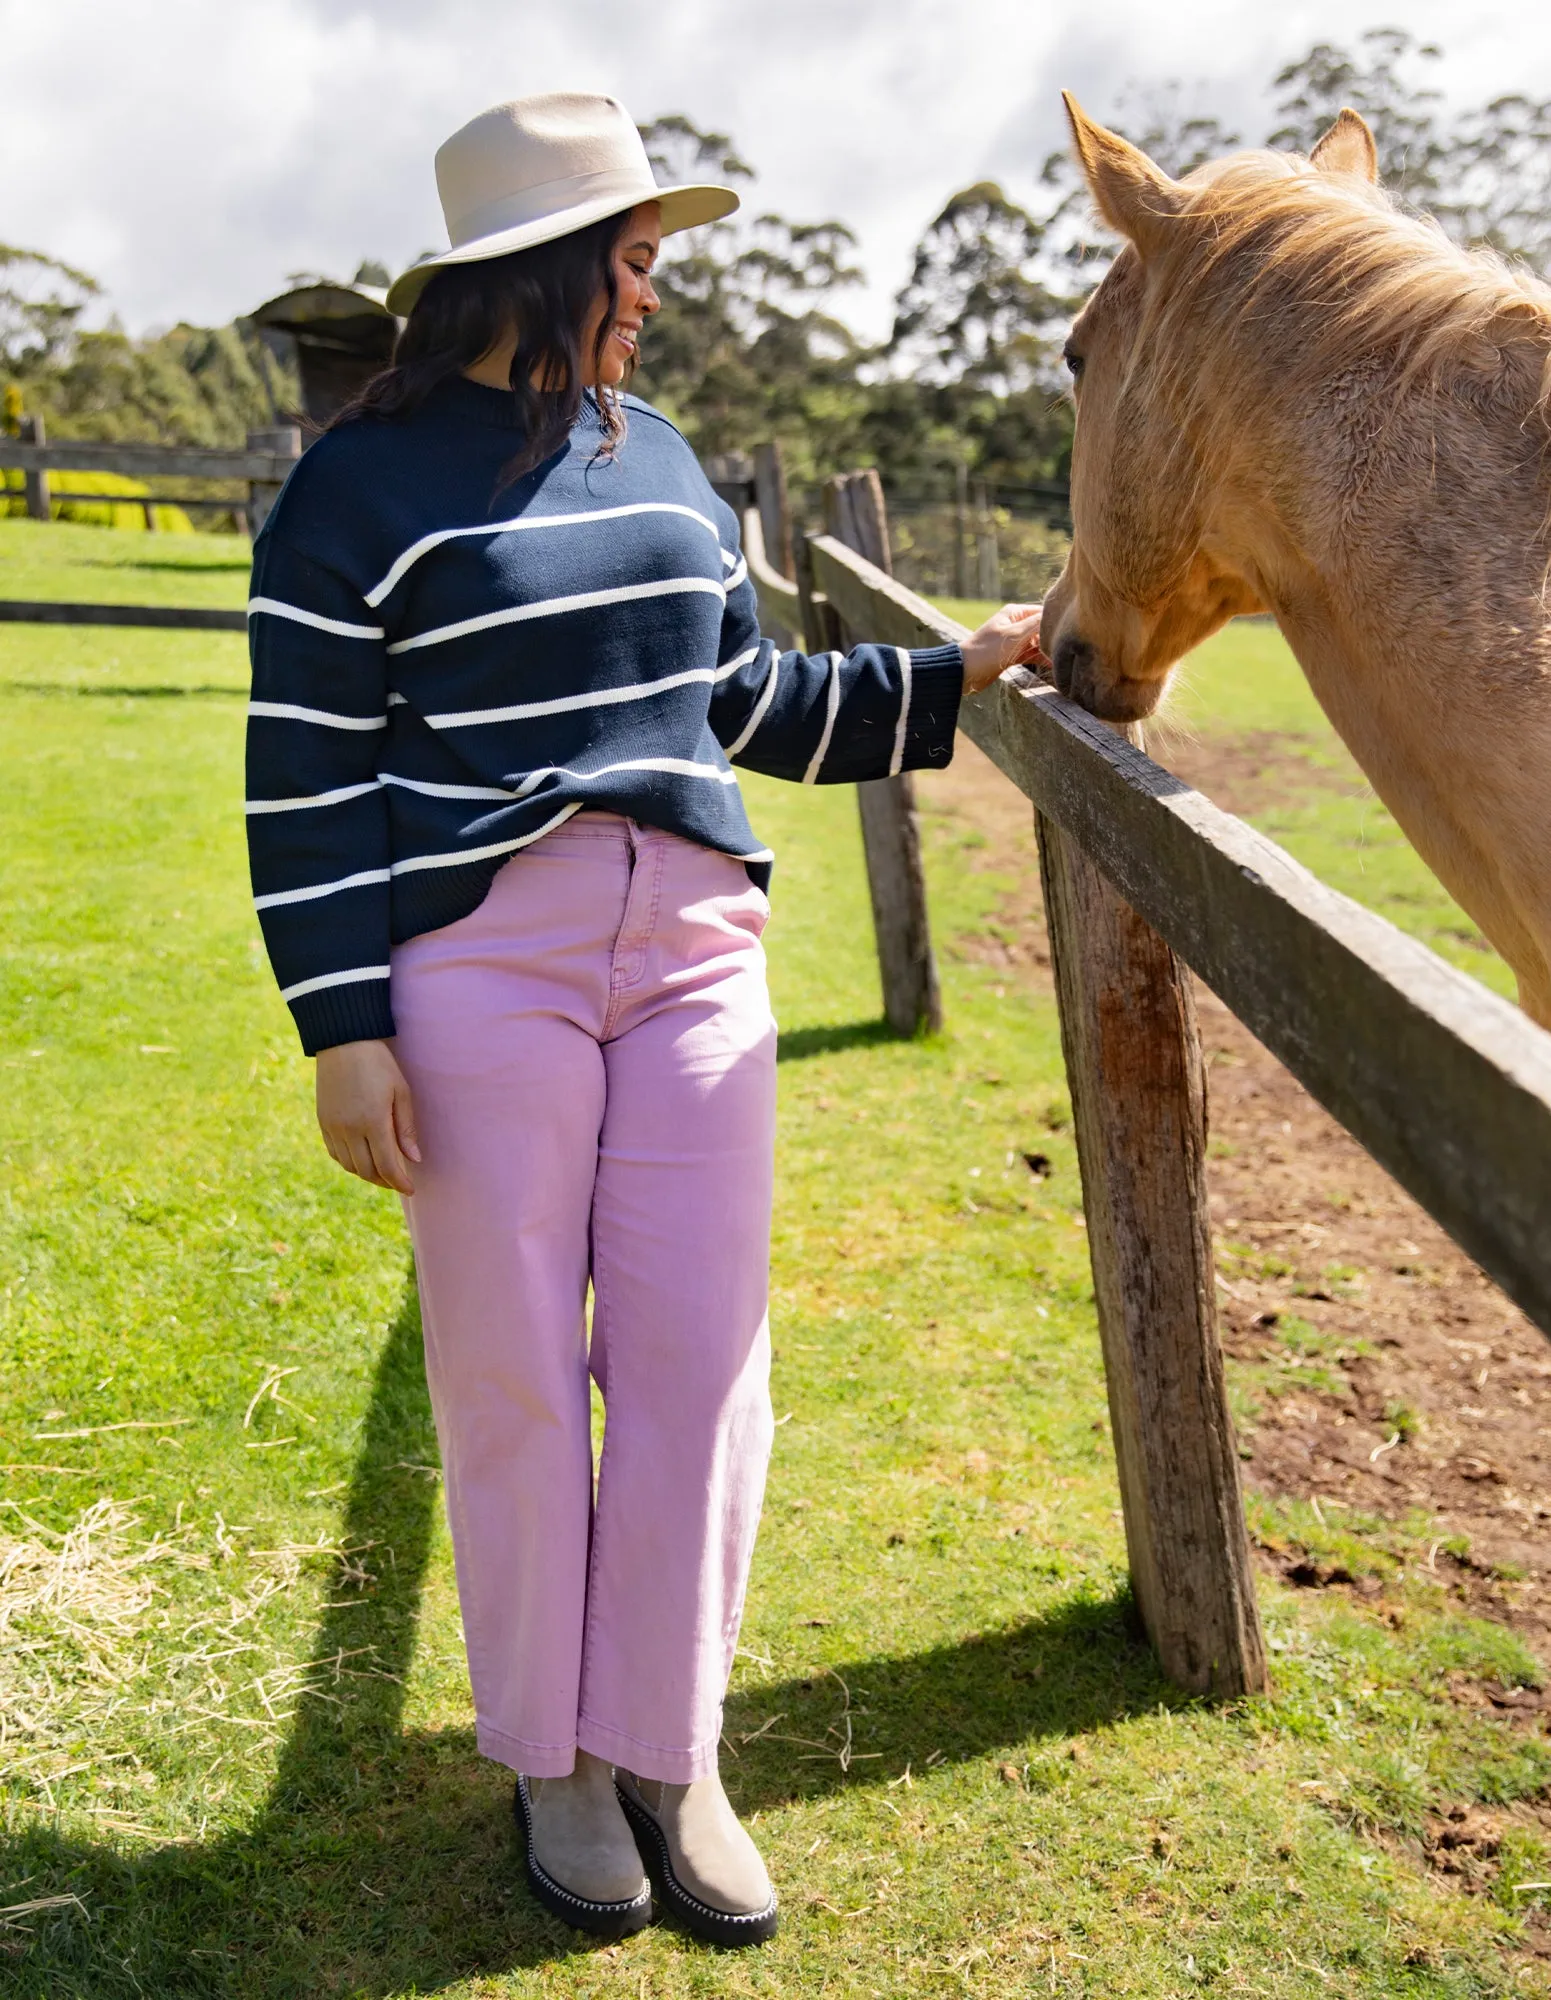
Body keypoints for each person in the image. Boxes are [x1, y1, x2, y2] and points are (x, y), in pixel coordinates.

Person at [244, 90, 1042, 1948]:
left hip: (692, 953)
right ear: (541, 267)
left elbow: (742, 699)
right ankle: (552, 1758)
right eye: (636, 260)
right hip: (479, 969)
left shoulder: (662, 455)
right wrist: (337, 1023)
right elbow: (303, 780)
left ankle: (672, 1749)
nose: (655, 295)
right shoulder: (353, 490)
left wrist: (951, 676)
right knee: (514, 1370)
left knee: (697, 1360)